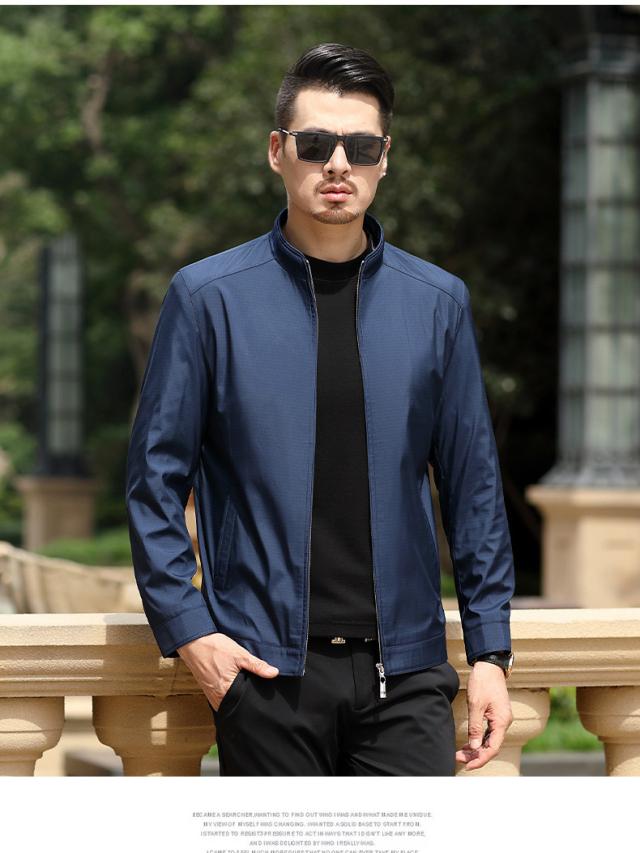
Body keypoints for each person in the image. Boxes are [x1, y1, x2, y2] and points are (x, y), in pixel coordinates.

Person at [126, 42, 515, 776]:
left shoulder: (438, 304)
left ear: (384, 159)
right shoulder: (208, 299)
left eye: (360, 147)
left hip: (406, 677)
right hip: (265, 677)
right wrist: (191, 631)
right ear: (278, 152)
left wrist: (490, 651)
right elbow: (154, 480)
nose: (338, 164)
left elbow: (475, 489)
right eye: (315, 144)